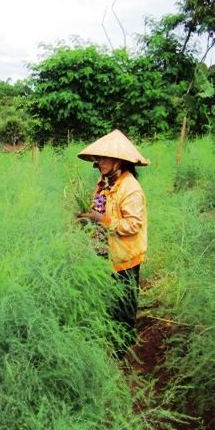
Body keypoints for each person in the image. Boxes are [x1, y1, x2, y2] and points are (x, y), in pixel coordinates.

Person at [76, 129, 149, 357]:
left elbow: (133, 225)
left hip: (124, 256)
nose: (100, 162)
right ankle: (109, 337)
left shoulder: (130, 189)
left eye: (105, 158)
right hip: (103, 252)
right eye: (99, 158)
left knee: (124, 304)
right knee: (109, 299)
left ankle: (121, 349)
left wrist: (102, 220)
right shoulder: (105, 182)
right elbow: (100, 209)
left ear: (119, 161)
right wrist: (89, 221)